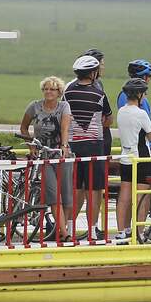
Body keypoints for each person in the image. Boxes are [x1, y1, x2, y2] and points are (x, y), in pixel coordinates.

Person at [114, 77, 151, 244]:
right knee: (141, 197)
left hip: (125, 157)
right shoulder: (141, 113)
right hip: (142, 158)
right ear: (139, 95)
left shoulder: (121, 111)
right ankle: (139, 232)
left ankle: (121, 231)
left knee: (124, 196)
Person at [63, 54, 113, 241]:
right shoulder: (99, 93)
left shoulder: (67, 91)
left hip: (73, 145)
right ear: (92, 73)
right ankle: (92, 230)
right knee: (95, 190)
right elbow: (108, 118)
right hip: (94, 146)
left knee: (75, 188)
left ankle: (69, 227)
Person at [19, 75, 73, 240]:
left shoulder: (64, 106)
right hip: (44, 155)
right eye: (46, 89)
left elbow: (65, 128)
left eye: (52, 89)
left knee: (67, 196)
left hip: (60, 153)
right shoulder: (34, 107)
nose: (48, 92)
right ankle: (64, 233)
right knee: (53, 194)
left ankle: (62, 229)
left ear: (59, 92)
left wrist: (64, 146)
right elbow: (23, 127)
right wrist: (31, 145)